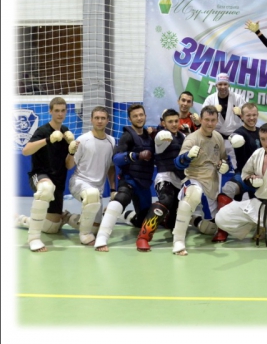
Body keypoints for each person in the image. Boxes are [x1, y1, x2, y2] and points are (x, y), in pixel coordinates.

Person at [215, 124, 267, 254]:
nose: (266, 143)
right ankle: (258, 225)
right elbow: (245, 174)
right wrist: (251, 180)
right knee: (221, 217)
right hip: (260, 203)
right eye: (263, 139)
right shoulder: (258, 153)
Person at [95, 104, 155, 252]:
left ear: (145, 116)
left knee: (143, 222)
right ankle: (101, 239)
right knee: (119, 200)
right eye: (135, 116)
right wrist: (135, 155)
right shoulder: (127, 136)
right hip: (129, 180)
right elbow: (116, 159)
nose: (139, 118)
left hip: (144, 184)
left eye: (141, 115)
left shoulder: (150, 136)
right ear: (130, 119)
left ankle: (124, 215)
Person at [171, 105, 229, 256]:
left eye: (213, 120)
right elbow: (177, 163)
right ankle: (178, 241)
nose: (210, 123)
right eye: (207, 120)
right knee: (193, 195)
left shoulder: (218, 138)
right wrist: (187, 156)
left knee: (210, 229)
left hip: (212, 185)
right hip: (194, 179)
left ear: (217, 121)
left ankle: (192, 220)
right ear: (201, 120)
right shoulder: (192, 138)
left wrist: (223, 166)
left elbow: (223, 159)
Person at [20, 97, 75, 252]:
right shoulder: (43, 130)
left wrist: (72, 152)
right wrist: (48, 139)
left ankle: (23, 219)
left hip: (58, 181)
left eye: (63, 110)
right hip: (40, 174)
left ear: (66, 112)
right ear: (50, 111)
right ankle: (33, 238)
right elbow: (26, 151)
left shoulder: (66, 133)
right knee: (46, 189)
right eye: (56, 110)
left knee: (52, 228)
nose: (60, 114)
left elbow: (69, 165)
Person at [59, 106, 116, 246]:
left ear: (107, 120)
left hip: (98, 190)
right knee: (92, 195)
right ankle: (84, 235)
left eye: (103, 118)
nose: (99, 121)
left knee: (95, 228)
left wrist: (113, 189)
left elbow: (111, 167)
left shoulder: (111, 141)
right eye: (96, 118)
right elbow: (69, 166)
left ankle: (68, 217)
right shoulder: (83, 140)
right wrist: (71, 153)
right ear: (91, 120)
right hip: (79, 183)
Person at [135, 109, 185, 252]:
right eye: (170, 122)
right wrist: (161, 134)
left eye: (176, 121)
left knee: (174, 220)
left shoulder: (182, 136)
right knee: (166, 200)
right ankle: (143, 237)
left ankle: (167, 220)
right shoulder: (162, 136)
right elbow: (159, 140)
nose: (174, 124)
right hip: (165, 177)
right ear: (164, 123)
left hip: (180, 180)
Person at [212, 102, 262, 243]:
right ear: (242, 116)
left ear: (257, 115)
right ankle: (222, 230)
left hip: (260, 178)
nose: (251, 118)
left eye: (254, 115)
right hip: (243, 176)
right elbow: (233, 138)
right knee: (227, 190)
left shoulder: (262, 133)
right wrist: (233, 139)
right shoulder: (239, 133)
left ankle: (261, 227)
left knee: (266, 198)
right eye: (248, 115)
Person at [202, 72, 246, 169]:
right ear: (216, 85)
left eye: (225, 84)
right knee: (215, 166)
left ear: (229, 85)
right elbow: (203, 118)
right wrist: (213, 110)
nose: (223, 87)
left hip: (234, 137)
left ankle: (237, 176)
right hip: (216, 137)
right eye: (220, 84)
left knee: (237, 166)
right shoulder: (210, 99)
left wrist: (241, 114)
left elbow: (248, 119)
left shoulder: (237, 98)